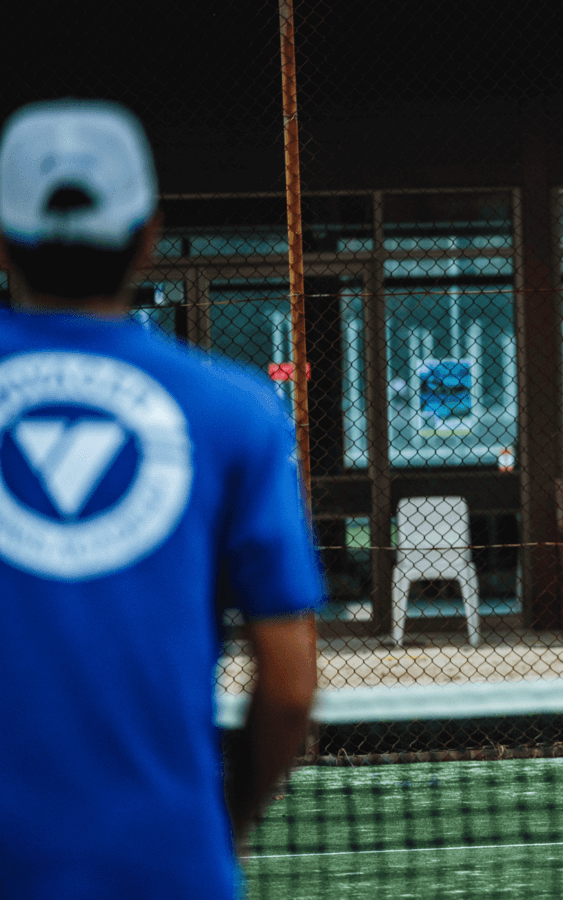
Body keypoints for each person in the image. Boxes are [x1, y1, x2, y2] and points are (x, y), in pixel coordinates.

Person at [0, 99, 326, 899]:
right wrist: (218, 828)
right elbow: (290, 684)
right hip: (166, 867)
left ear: (4, 240)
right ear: (148, 235)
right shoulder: (235, 412)